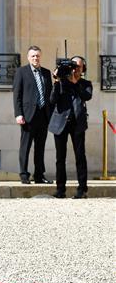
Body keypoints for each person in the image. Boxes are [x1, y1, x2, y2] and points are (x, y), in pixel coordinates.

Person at [49, 56, 93, 199]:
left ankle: (82, 190)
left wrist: (76, 83)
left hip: (77, 124)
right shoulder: (61, 82)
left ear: (83, 68)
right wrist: (56, 81)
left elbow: (87, 96)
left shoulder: (85, 83)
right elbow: (52, 100)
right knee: (60, 158)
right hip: (60, 123)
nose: (76, 69)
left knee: (80, 157)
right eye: (74, 66)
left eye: (79, 67)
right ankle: (60, 190)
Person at [12, 46, 53, 184]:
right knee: (25, 146)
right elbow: (17, 95)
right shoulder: (21, 72)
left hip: (43, 115)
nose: (35, 58)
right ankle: (24, 174)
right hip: (28, 116)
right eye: (33, 56)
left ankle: (39, 175)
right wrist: (18, 114)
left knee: (40, 147)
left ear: (40, 57)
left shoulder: (47, 73)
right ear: (28, 57)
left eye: (37, 56)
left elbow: (50, 95)